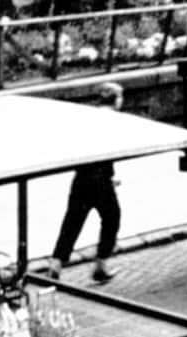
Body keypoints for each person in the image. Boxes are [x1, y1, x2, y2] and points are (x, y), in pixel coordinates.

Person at [47, 82, 125, 283]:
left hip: (81, 178)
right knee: (112, 218)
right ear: (116, 99)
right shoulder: (115, 120)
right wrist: (109, 176)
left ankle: (56, 263)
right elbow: (109, 151)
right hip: (101, 181)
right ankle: (101, 264)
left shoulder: (88, 117)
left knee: (72, 221)